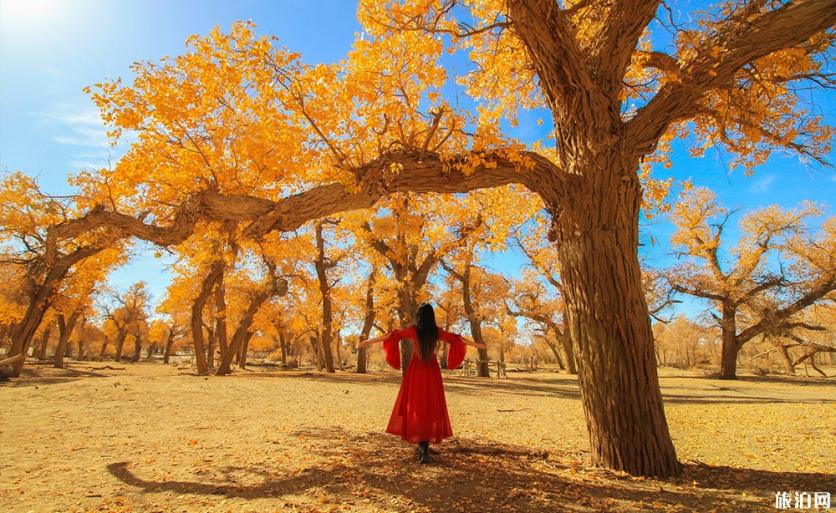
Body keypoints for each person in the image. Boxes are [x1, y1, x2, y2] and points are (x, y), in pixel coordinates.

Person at [356, 303, 486, 463]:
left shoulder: (413, 330)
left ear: (419, 316)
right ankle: (424, 447)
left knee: (416, 405)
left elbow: (391, 336)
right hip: (431, 371)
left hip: (416, 371)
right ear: (431, 316)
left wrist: (368, 342)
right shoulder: (436, 332)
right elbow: (457, 339)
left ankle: (422, 446)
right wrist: (478, 345)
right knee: (430, 405)